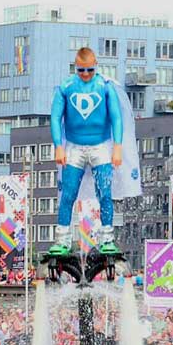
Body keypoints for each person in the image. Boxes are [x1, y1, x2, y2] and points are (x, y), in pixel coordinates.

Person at [49, 47, 127, 257]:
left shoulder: (105, 86)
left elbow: (117, 117)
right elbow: (55, 117)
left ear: (96, 66)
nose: (85, 75)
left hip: (100, 145)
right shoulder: (65, 87)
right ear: (76, 68)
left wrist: (117, 146)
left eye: (89, 70)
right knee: (68, 193)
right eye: (81, 70)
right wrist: (58, 145)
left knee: (105, 192)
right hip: (74, 146)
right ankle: (63, 238)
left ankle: (107, 237)